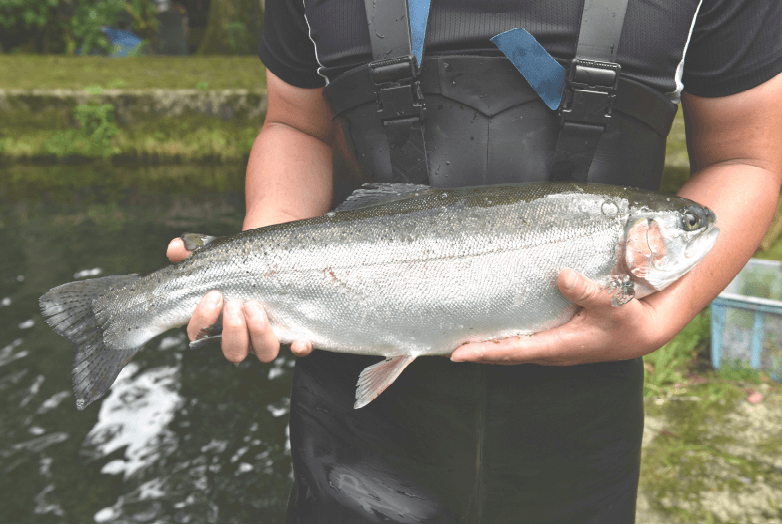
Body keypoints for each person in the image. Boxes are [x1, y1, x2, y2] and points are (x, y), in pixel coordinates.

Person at [167, 1, 782, 522]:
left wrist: (660, 320)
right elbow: (295, 125)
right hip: (349, 409)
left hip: (584, 418)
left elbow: (747, 159)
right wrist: (261, 261)